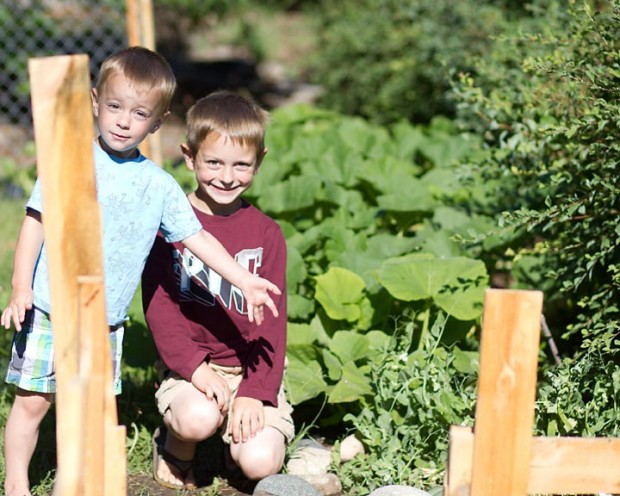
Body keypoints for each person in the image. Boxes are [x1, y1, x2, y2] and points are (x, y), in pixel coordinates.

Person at [0, 48, 280, 496]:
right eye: (114, 107)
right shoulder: (69, 161)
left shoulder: (159, 185)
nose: (123, 121)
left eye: (139, 113)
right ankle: (16, 484)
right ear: (95, 101)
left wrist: (242, 279)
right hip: (51, 307)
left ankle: (71, 485)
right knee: (33, 404)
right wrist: (19, 288)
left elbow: (199, 240)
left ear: (157, 121)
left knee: (86, 412)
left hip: (104, 320)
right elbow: (35, 225)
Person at [142, 90, 294, 490]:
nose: (227, 177)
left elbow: (272, 326)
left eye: (241, 165)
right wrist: (193, 367)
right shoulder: (169, 227)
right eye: (213, 163)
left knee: (260, 462)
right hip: (190, 367)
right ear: (190, 157)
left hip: (250, 367)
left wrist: (255, 391)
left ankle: (235, 447)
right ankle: (177, 447)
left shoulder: (267, 234)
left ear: (259, 163)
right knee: (197, 418)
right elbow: (160, 310)